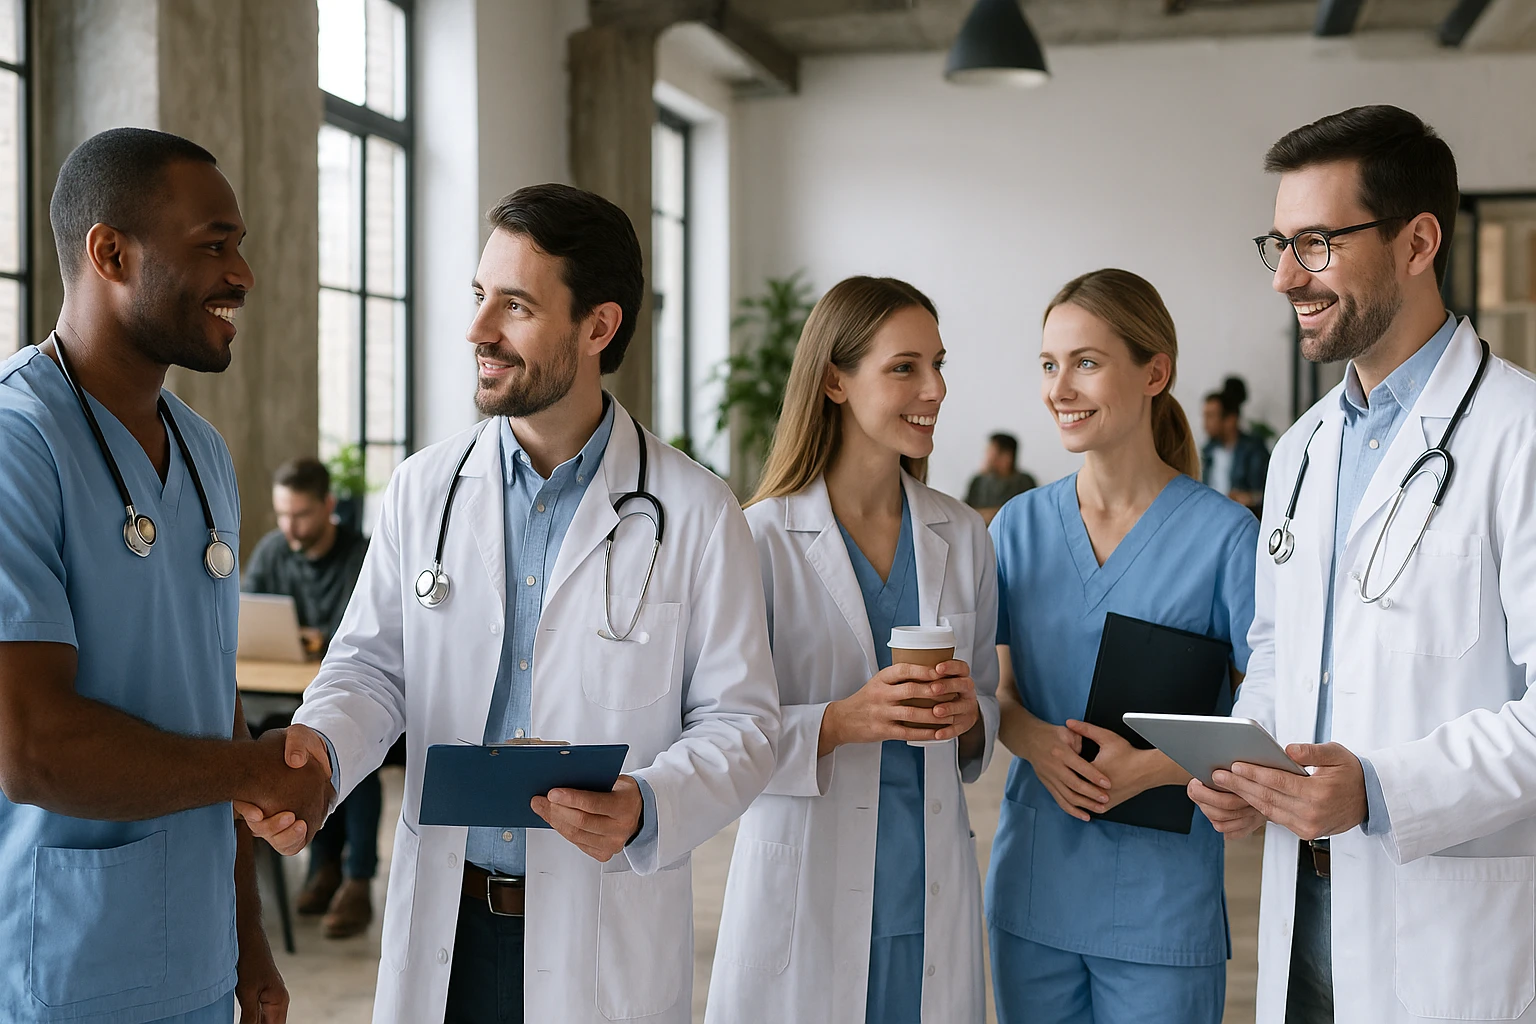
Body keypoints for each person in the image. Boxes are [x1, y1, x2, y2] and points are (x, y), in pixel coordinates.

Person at [241, 183, 781, 1024]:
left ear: (598, 327)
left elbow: (743, 724)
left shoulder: (698, 512)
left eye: (516, 306)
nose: (478, 330)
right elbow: (372, 669)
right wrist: (321, 755)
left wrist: (647, 805)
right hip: (445, 927)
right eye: (479, 295)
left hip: (601, 936)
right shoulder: (424, 488)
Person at [1188, 105, 1536, 1024]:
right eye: (1279, 244)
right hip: (1304, 909)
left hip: (1446, 927)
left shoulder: (1520, 436)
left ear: (1417, 242)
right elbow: (1278, 648)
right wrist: (1246, 761)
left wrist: (1380, 789)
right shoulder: (1301, 451)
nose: (1286, 277)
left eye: (1316, 243)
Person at [0, 128, 330, 1024]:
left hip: (198, 963)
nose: (242, 275)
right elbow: (30, 747)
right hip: (63, 970)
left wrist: (248, 942)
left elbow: (212, 699)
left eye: (240, 246)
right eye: (214, 245)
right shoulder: (17, 444)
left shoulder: (204, 452)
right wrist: (252, 770)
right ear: (111, 253)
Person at [707, 277, 1000, 1024]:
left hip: (928, 889)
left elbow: (985, 709)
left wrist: (971, 714)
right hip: (803, 892)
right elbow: (717, 736)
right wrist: (840, 721)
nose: (935, 389)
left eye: (938, 364)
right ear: (835, 380)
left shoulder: (963, 535)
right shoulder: (759, 539)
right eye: (905, 367)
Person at [987, 269, 1258, 1024]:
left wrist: (1154, 767)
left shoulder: (1226, 539)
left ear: (1154, 373)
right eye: (1050, 364)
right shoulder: (1016, 529)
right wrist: (1035, 742)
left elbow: (1270, 715)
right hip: (1034, 889)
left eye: (1086, 362)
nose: (1060, 388)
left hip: (1161, 903)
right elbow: (994, 692)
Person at [243, 456, 377, 938]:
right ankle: (322, 869)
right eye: (283, 514)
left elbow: (362, 643)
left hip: (348, 692)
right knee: (283, 746)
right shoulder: (272, 551)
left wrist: (313, 639)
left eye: (300, 514)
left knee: (352, 750)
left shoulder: (361, 555)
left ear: (327, 506)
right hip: (280, 694)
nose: (290, 527)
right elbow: (250, 615)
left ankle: (357, 879)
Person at [1201, 377, 1269, 513]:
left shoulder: (1253, 449)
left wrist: (1247, 498)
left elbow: (1267, 493)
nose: (1205, 423)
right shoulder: (1208, 451)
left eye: (1211, 416)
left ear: (1230, 420)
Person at [964, 431, 1037, 524]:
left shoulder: (1024, 482)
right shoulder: (978, 481)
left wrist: (984, 514)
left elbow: (1028, 514)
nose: (987, 456)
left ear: (1007, 456)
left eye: (991, 451)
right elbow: (963, 513)